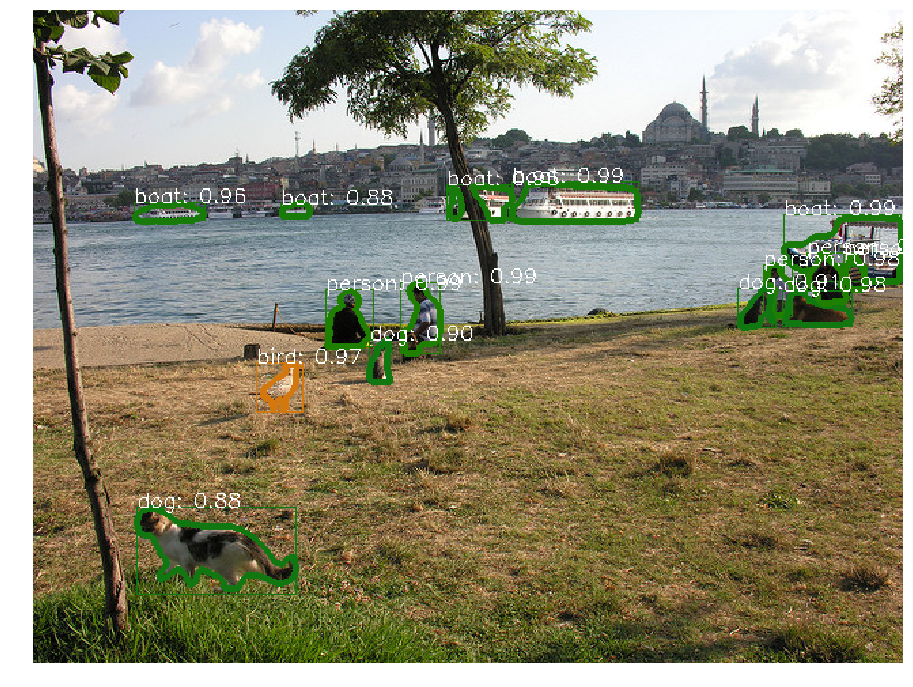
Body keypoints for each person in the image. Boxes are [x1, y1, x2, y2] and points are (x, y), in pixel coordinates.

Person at [407, 283, 438, 350]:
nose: (415, 298)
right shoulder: (432, 303)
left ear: (420, 294)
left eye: (415, 295)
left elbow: (426, 322)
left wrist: (415, 334)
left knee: (394, 337)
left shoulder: (424, 304)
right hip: (432, 336)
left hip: (425, 336)